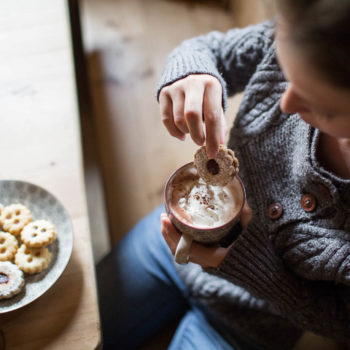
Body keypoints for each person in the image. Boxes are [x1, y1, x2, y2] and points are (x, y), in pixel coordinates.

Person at [96, 0, 350, 349]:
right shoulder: (310, 29)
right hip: (175, 238)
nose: (285, 104)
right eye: (287, 76)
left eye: (320, 106)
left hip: (246, 323)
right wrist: (192, 71)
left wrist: (248, 265)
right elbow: (208, 49)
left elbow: (339, 321)